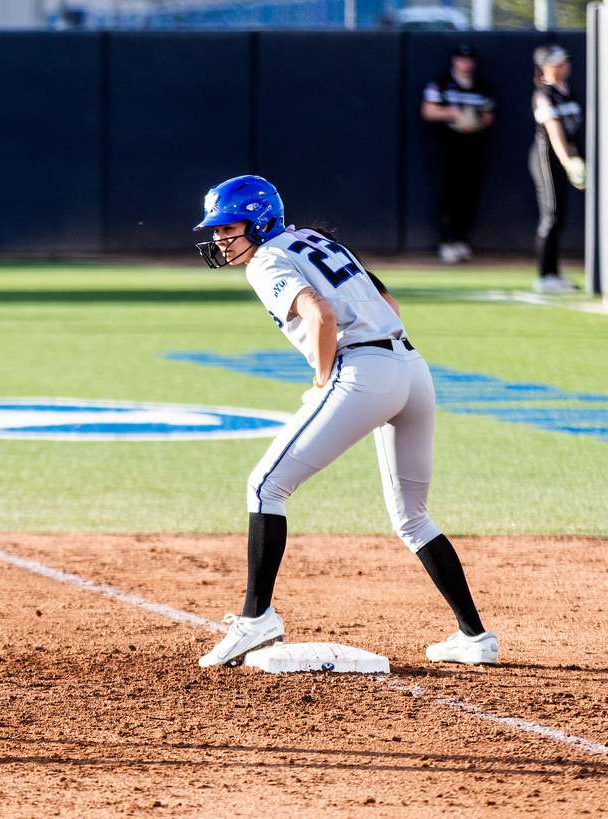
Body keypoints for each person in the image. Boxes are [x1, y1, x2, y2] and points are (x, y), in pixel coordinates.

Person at [191, 175, 497, 669]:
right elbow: (389, 303)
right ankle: (475, 637)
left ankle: (256, 618)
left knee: (265, 487)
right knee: (413, 517)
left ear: (260, 219)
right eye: (218, 229)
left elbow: (321, 314)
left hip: (363, 371)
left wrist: (321, 377)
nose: (222, 238)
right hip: (413, 369)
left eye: (230, 227)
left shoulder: (268, 258)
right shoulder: (317, 240)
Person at [421, 43, 496, 265]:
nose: (465, 63)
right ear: (454, 61)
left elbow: (489, 115)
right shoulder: (442, 84)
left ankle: (463, 241)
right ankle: (448, 242)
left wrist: (475, 121)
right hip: (447, 147)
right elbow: (428, 110)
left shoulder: (481, 87)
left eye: (469, 59)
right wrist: (452, 113)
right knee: (448, 195)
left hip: (472, 147)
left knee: (468, 195)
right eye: (461, 59)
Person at [529, 44, 585, 293]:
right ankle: (545, 275)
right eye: (558, 62)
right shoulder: (543, 94)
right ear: (546, 67)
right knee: (550, 213)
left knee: (559, 215)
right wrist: (568, 161)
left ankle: (554, 272)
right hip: (548, 158)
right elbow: (554, 131)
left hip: (568, 158)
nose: (565, 65)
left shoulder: (570, 91)